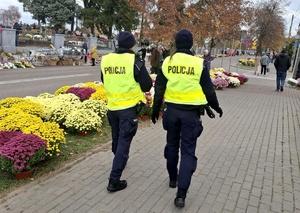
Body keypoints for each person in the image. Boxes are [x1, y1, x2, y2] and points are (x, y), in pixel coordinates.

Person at [151, 29, 223, 208]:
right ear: (191, 44)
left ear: (176, 43)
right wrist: (216, 106)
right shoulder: (198, 63)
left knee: (172, 146)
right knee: (188, 152)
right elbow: (208, 89)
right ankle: (181, 195)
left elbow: (159, 88)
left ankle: (173, 179)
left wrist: (155, 110)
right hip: (191, 115)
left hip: (172, 112)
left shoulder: (168, 61)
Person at [100, 31, 152, 192]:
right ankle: (114, 180)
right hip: (128, 109)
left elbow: (103, 79)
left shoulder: (106, 59)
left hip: (112, 107)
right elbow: (147, 85)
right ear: (132, 45)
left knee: (117, 138)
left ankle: (119, 159)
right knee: (124, 142)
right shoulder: (134, 60)